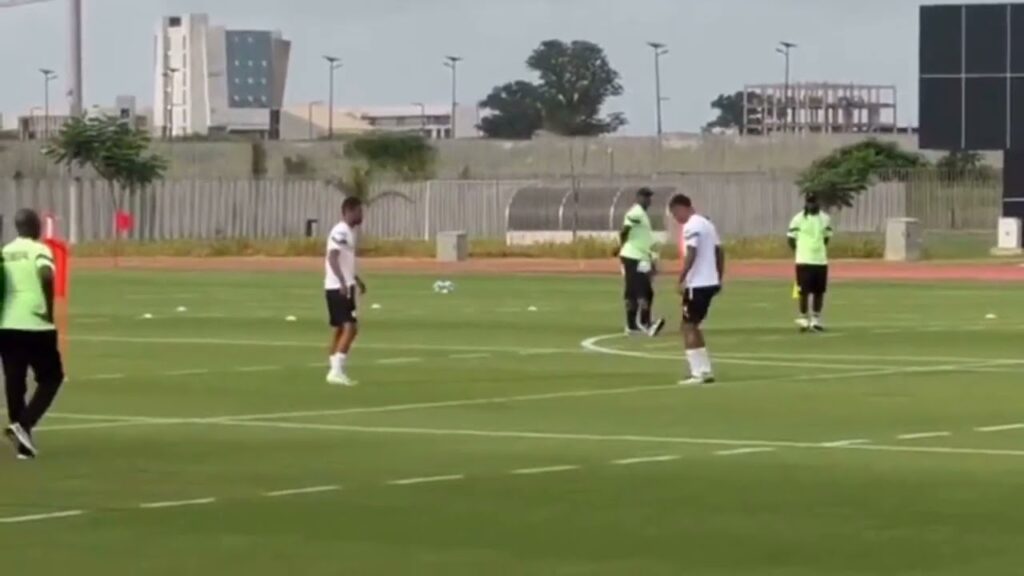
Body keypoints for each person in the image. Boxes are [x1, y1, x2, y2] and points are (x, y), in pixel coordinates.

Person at [0, 209, 65, 460]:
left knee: (15, 381)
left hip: (7, 324)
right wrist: (48, 309)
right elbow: (46, 274)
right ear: (35, 226)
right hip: (35, 323)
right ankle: (24, 425)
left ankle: (23, 446)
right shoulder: (39, 250)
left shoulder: (5, 252)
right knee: (51, 377)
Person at [669, 194, 723, 386]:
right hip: (709, 282)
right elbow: (719, 252)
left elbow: (692, 253)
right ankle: (704, 369)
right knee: (693, 324)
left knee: (688, 326)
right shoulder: (708, 224)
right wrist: (718, 278)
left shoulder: (691, 226)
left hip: (697, 283)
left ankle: (698, 372)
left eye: (675, 214)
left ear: (680, 208)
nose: (677, 219)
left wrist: (681, 278)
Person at [324, 197, 367, 386]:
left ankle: (334, 369)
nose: (361, 215)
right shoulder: (340, 231)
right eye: (359, 211)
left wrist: (356, 280)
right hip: (338, 287)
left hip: (342, 285)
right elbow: (332, 257)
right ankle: (336, 370)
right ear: (349, 211)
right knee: (351, 328)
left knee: (341, 328)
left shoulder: (348, 232)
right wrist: (342, 282)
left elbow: (344, 260)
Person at [617, 187, 666, 337]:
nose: (648, 200)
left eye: (649, 197)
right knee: (643, 290)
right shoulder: (635, 212)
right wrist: (621, 245)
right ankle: (646, 324)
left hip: (642, 257)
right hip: (633, 257)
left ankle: (632, 325)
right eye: (645, 197)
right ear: (638, 197)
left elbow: (644, 239)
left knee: (637, 292)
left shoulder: (643, 215)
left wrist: (652, 260)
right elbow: (625, 229)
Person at [787, 193, 832, 332]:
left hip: (820, 261)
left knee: (819, 292)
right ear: (806, 203)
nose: (811, 205)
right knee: (803, 292)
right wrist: (800, 251)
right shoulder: (798, 219)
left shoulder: (825, 219)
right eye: (809, 202)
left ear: (818, 202)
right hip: (803, 261)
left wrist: (817, 250)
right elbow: (791, 239)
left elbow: (826, 238)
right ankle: (803, 318)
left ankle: (816, 320)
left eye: (814, 202)